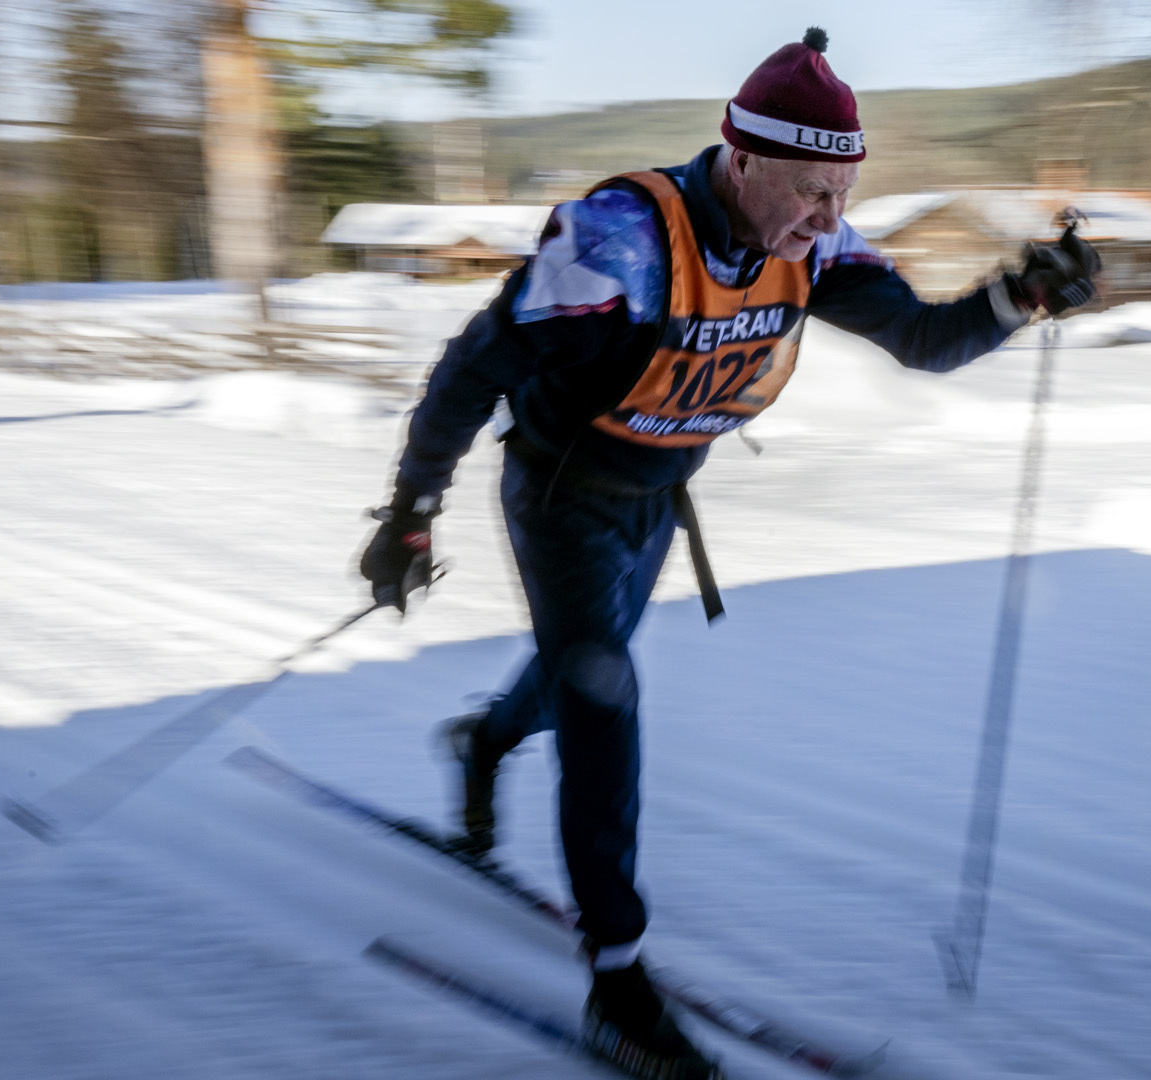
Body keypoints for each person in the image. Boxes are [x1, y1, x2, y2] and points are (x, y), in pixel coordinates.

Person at [359, 27, 1098, 1080]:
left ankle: (480, 744)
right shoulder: (617, 243)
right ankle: (617, 989)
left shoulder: (817, 245)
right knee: (605, 706)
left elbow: (924, 341)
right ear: (741, 158)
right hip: (563, 496)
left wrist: (1020, 296)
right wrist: (409, 514)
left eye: (841, 192)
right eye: (806, 190)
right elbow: (469, 372)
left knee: (584, 669)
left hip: (657, 500)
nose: (826, 217)